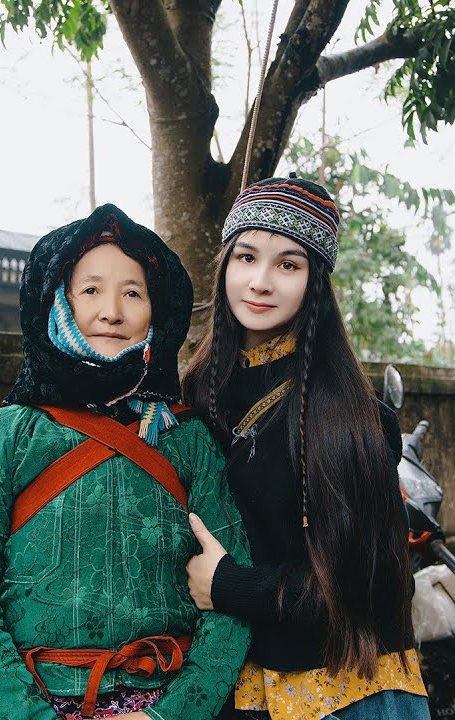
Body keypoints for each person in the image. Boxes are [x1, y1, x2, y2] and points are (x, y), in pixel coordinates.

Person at [0, 204, 251, 720]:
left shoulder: (188, 440)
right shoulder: (2, 437)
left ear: (158, 312)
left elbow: (232, 597)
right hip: (25, 704)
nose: (111, 311)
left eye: (132, 292)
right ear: (58, 301)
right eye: (90, 290)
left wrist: (167, 716)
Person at [182, 176, 429, 720]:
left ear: (315, 280)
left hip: (343, 696)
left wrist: (230, 586)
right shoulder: (193, 394)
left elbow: (368, 588)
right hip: (220, 684)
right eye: (246, 257)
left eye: (288, 265)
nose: (261, 281)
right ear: (225, 264)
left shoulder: (347, 416)